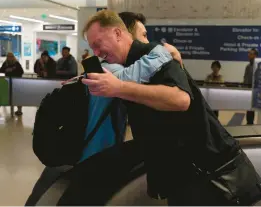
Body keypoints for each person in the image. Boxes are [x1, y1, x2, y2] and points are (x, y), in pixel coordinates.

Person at [82, 9, 261, 205]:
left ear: (118, 33)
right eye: (93, 48)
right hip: (186, 180)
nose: (97, 53)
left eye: (98, 45)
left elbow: (180, 99)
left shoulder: (156, 55)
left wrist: (120, 88)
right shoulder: (129, 67)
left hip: (215, 178)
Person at [25, 12, 182, 206]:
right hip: (86, 160)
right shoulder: (108, 70)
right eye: (143, 36)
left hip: (78, 154)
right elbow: (138, 75)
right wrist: (166, 51)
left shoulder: (100, 67)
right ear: (124, 35)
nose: (146, 42)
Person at [244, 48, 258, 125]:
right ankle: (249, 123)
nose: (248, 55)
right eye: (248, 53)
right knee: (249, 108)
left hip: (256, 90)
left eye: (251, 53)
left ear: (255, 56)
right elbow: (245, 78)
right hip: (248, 90)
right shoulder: (247, 66)